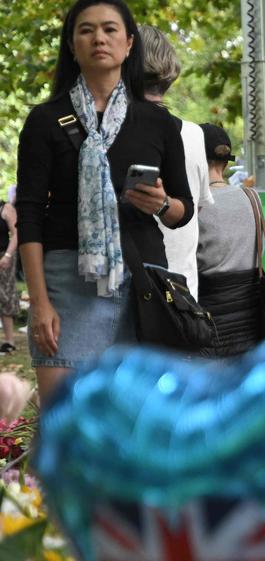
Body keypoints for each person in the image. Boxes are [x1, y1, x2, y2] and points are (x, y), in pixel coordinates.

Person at [16, 0, 193, 403]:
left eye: (111, 29)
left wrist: (162, 203)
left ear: (129, 44)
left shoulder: (158, 122)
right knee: (65, 424)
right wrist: (39, 304)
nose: (99, 38)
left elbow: (183, 211)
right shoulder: (45, 120)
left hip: (142, 284)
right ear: (72, 45)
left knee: (134, 423)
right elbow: (29, 214)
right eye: (86, 30)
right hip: (65, 279)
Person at [138, 25, 213, 301]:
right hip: (183, 290)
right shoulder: (194, 134)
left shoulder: (117, 130)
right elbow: (198, 208)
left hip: (136, 287)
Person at [195, 124, 259, 356]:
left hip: (209, 316)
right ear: (226, 162)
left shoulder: (194, 205)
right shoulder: (252, 197)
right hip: (252, 316)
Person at [0, 198, 18, 354]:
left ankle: (9, 342)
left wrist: (7, 255)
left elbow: (16, 234)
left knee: (5, 296)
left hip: (3, 257)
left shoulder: (6, 208)